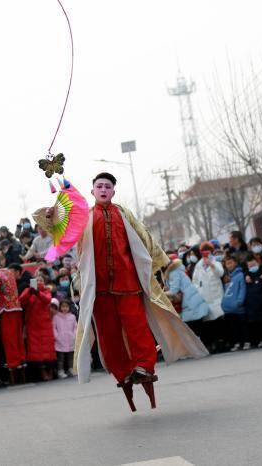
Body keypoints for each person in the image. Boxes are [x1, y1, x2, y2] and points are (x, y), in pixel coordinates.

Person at [75, 172, 207, 411]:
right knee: (108, 334)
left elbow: (145, 238)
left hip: (128, 283)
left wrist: (160, 262)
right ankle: (122, 371)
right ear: (92, 191)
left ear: (113, 192)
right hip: (100, 288)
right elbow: (61, 232)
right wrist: (51, 218)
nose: (103, 189)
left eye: (107, 186)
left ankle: (144, 366)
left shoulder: (124, 214)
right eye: (99, 186)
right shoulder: (83, 217)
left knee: (137, 327)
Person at [0, 256, 27, 384]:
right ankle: (21, 362)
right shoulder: (9, 273)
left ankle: (13, 365)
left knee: (9, 340)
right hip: (16, 308)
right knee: (17, 339)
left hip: (6, 311)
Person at [20, 278, 56, 381]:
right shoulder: (28, 290)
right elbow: (21, 300)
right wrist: (29, 291)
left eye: (41, 280)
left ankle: (50, 372)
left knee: (48, 350)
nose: (39, 281)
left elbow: (47, 300)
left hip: (45, 324)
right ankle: (42, 373)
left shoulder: (46, 291)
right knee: (36, 352)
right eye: (37, 280)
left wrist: (37, 293)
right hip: (33, 325)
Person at [192, 242, 225, 351]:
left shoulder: (216, 262)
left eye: (208, 251)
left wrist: (212, 264)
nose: (206, 253)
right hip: (204, 297)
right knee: (208, 323)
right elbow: (195, 281)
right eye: (203, 251)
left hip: (216, 296)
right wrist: (198, 290)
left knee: (218, 321)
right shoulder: (198, 265)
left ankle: (221, 343)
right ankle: (211, 344)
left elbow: (220, 273)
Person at [165, 257, 210, 334]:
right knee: (199, 325)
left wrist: (162, 294)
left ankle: (199, 344)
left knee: (192, 328)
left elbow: (174, 290)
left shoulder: (173, 273)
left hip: (188, 302)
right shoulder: (179, 270)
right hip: (193, 299)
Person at [222, 254, 247, 352]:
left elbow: (242, 288)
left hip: (238, 305)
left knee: (242, 325)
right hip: (228, 307)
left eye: (231, 263)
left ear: (235, 263)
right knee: (233, 326)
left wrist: (240, 300)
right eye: (227, 264)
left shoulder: (240, 275)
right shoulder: (226, 277)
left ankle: (246, 341)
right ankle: (237, 342)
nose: (229, 265)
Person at [244, 258, 262, 349]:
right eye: (250, 265)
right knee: (254, 323)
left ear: (258, 264)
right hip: (251, 304)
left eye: (254, 264)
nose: (252, 267)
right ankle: (258, 340)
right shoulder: (247, 277)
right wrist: (246, 275)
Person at [52, 300, 76, 378]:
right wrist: (57, 337)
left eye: (66, 306)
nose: (65, 308)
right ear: (60, 307)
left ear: (69, 307)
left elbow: (75, 327)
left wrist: (74, 336)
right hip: (60, 341)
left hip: (70, 340)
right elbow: (53, 328)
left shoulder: (72, 317)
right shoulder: (56, 317)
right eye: (63, 306)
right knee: (60, 358)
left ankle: (71, 369)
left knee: (70, 357)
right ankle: (60, 371)